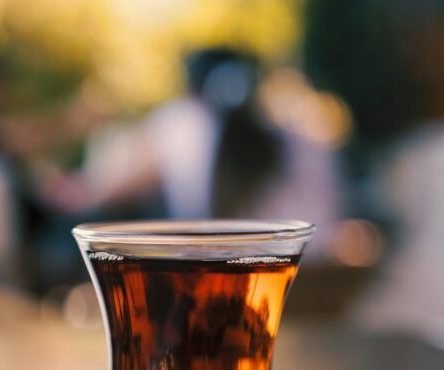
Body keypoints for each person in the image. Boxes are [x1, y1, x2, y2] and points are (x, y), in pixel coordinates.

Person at [44, 48, 341, 255]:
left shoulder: (182, 122)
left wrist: (61, 189)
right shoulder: (300, 132)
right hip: (322, 288)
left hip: (221, 290)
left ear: (191, 87)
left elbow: (98, 191)